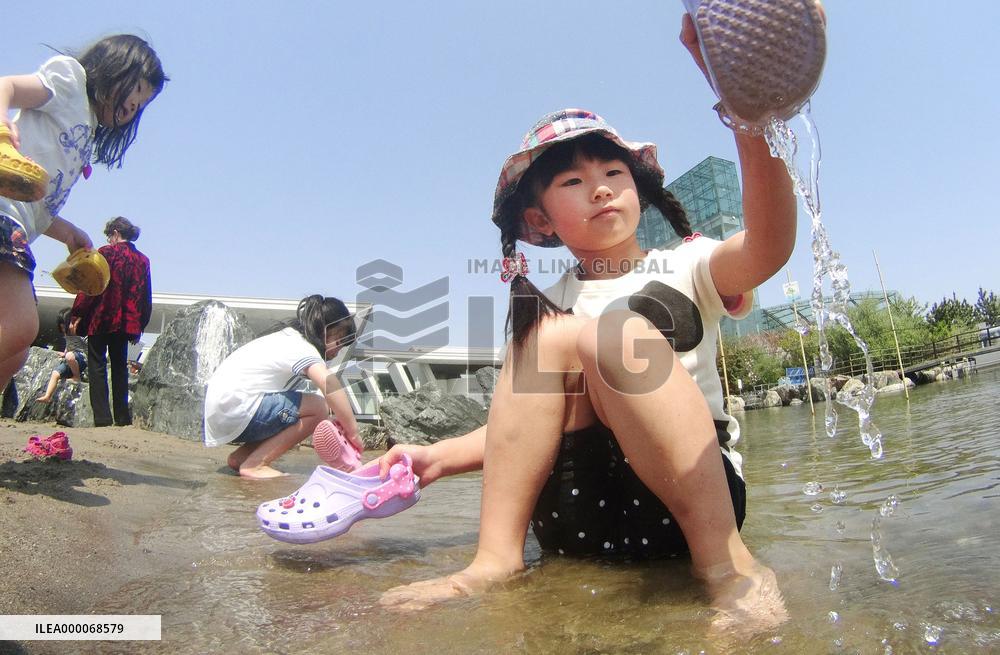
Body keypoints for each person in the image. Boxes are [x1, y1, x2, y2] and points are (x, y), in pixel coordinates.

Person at [375, 14, 799, 637]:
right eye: (573, 182)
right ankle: (494, 560)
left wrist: (748, 116)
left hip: (687, 507)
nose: (599, 190)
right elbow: (520, 430)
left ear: (641, 189)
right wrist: (435, 457)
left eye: (613, 174)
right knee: (546, 336)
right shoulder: (550, 302)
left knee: (612, 331)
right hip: (578, 513)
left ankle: (729, 566)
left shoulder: (689, 263)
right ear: (541, 222)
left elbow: (769, 246)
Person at [0, 34, 167, 393]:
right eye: (135, 88)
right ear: (113, 67)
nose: (134, 104)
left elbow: (37, 207)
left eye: (143, 103)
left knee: (13, 354)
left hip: (16, 223)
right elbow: (7, 86)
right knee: (19, 327)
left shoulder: (86, 129)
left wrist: (69, 233)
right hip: (2, 212)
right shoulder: (70, 79)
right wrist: (2, 127)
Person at [203, 295, 361, 480]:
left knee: (296, 404)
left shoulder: (286, 337)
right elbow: (330, 383)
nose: (337, 351)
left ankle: (242, 458)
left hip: (222, 411)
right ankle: (256, 464)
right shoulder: (302, 346)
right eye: (338, 341)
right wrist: (353, 432)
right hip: (238, 407)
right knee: (319, 408)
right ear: (324, 330)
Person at [71, 217, 152, 427]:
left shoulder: (105, 253)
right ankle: (122, 417)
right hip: (126, 323)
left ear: (115, 233)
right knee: (119, 367)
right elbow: (145, 296)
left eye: (109, 235)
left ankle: (102, 418)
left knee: (97, 365)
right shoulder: (142, 260)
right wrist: (140, 324)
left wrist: (77, 313)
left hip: (101, 317)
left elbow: (91, 286)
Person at [36, 307, 87, 403]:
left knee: (69, 356)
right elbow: (68, 345)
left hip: (81, 358)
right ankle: (47, 396)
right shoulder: (67, 334)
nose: (64, 330)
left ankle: (77, 376)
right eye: (62, 327)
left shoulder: (77, 331)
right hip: (71, 360)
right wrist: (64, 353)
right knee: (55, 373)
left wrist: (74, 325)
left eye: (65, 327)